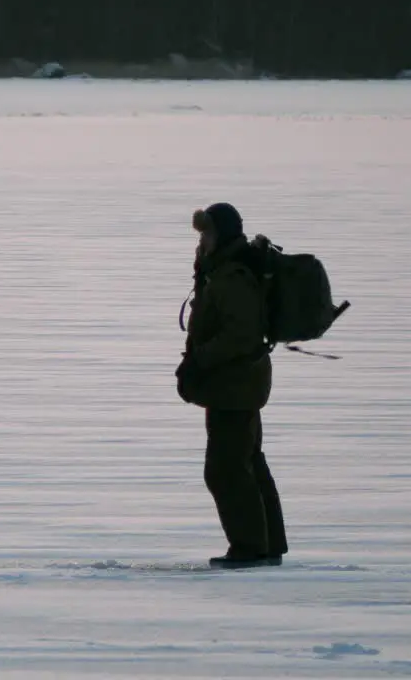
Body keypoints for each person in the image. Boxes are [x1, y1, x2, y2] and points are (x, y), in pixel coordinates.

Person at [176, 204, 288, 568]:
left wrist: (198, 361)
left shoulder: (232, 276)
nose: (201, 241)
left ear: (220, 234)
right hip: (238, 386)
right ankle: (267, 547)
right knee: (248, 463)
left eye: (206, 234)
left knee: (225, 469)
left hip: (236, 388)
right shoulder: (222, 270)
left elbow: (239, 336)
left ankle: (250, 549)